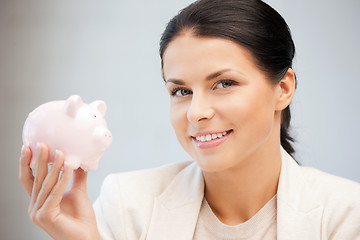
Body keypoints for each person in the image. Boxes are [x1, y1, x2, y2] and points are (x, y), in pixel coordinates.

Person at [19, 0, 360, 239]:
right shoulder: (127, 204)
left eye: (224, 83)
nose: (197, 113)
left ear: (283, 88)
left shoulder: (346, 215)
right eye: (180, 91)